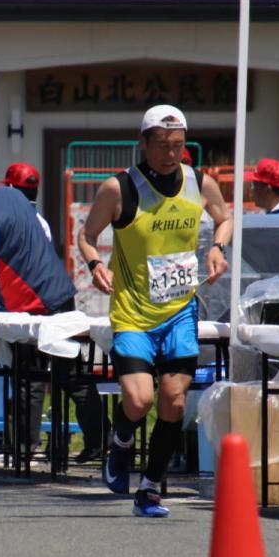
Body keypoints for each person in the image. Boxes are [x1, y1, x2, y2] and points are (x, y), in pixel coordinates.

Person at [77, 104, 231, 518]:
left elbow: (224, 218)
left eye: (178, 146)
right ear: (143, 143)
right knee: (139, 398)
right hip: (132, 313)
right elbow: (87, 235)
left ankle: (149, 488)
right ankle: (123, 436)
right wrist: (95, 264)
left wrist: (217, 247)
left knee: (174, 401)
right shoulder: (120, 188)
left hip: (179, 310)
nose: (170, 154)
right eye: (161, 145)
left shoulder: (199, 182)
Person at [0, 164, 109, 465]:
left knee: (29, 378)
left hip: (35, 304)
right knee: (73, 377)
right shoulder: (10, 196)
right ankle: (100, 442)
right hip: (58, 293)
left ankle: (26, 451)